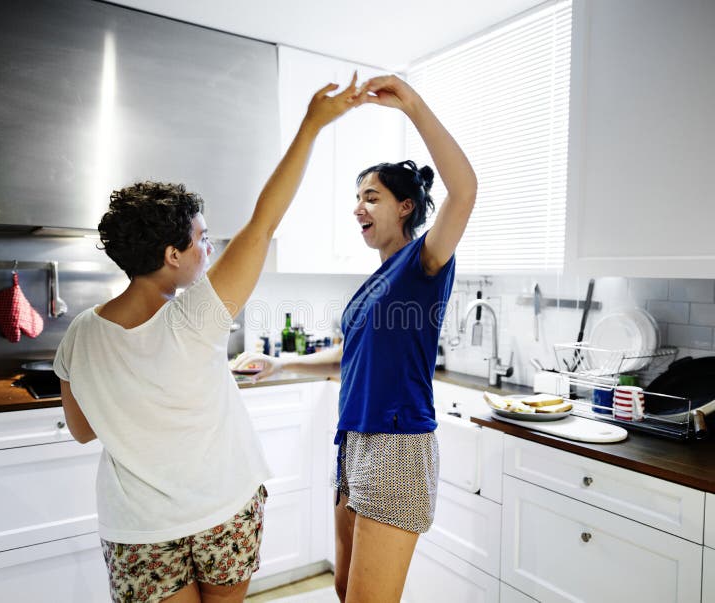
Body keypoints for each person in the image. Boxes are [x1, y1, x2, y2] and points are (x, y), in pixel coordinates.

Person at [53, 74, 363, 603]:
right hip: (224, 510)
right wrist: (312, 125)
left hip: (139, 531)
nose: (209, 248)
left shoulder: (79, 335)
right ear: (172, 254)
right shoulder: (194, 318)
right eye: (201, 239)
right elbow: (263, 225)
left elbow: (83, 430)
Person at [233, 75, 477, 603]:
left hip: (396, 445)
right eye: (357, 198)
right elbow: (350, 357)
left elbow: (466, 190)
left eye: (372, 197)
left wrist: (411, 105)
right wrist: (280, 367)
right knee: (346, 590)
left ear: (405, 206)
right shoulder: (377, 280)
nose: (358, 208)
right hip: (354, 443)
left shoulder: (425, 262)